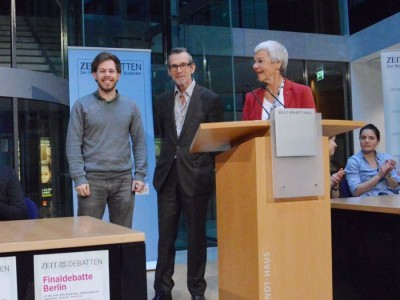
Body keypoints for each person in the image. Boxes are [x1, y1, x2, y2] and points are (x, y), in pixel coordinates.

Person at [152, 47, 223, 300]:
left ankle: (197, 291)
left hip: (197, 177)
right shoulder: (161, 100)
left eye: (183, 65)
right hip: (168, 177)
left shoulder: (210, 99)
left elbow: (216, 142)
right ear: (169, 71)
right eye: (174, 66)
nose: (179, 70)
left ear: (193, 67)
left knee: (196, 238)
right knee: (166, 238)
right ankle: (162, 291)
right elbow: (165, 136)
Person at [66, 51, 147, 228]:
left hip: (124, 181)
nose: (107, 75)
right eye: (102, 71)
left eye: (111, 71)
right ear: (94, 75)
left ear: (118, 74)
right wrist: (79, 178)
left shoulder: (131, 106)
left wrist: (140, 174)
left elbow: (139, 142)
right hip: (91, 182)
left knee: (122, 237)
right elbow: (73, 145)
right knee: (87, 238)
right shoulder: (82, 105)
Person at [243, 40, 316, 120]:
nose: (255, 66)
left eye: (260, 61)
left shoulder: (302, 92)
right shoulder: (251, 98)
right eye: (255, 62)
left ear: (278, 63)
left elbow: (312, 128)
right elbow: (245, 131)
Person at [345, 124, 400, 197]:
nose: (366, 141)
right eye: (363, 138)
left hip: (389, 199)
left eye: (371, 138)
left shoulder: (386, 158)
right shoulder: (353, 161)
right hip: (368, 203)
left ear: (378, 141)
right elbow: (356, 192)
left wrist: (387, 175)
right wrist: (379, 175)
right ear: (360, 140)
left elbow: (396, 188)